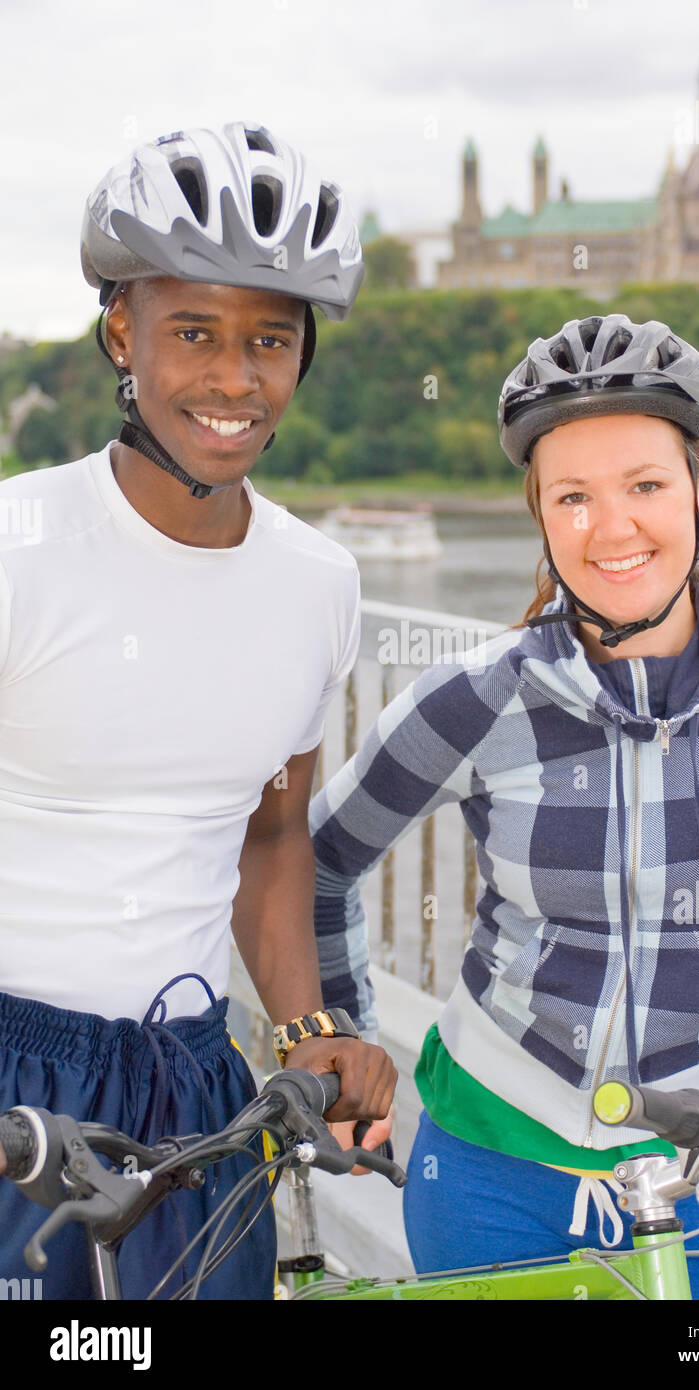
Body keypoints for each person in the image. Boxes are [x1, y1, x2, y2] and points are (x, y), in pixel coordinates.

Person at [309, 312, 699, 1300]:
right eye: (572, 495)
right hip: (487, 1167)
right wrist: (338, 1035)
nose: (611, 529)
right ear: (538, 511)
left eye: (645, 485)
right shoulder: (475, 697)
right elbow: (321, 859)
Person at [0, 121, 396, 1300]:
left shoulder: (317, 582)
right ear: (122, 333)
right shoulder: (20, 551)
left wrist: (304, 1026)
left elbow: (270, 837)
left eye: (267, 340)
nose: (233, 379)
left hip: (190, 1082)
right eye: (193, 333)